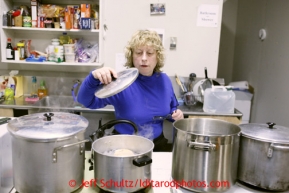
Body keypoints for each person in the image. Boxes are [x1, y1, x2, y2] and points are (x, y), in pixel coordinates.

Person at [77, 29, 184, 151]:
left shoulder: (164, 80)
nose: (144, 58)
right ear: (131, 56)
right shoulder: (121, 83)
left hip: (157, 144)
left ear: (157, 57)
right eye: (138, 53)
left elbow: (171, 109)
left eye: (149, 53)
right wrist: (93, 78)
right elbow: (86, 101)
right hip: (124, 146)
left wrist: (176, 115)